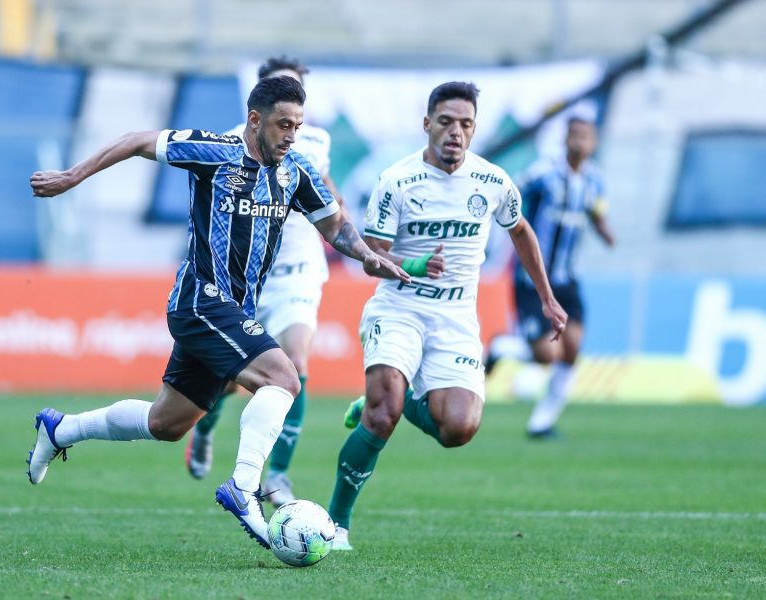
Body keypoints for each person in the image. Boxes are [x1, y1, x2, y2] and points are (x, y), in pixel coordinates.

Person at [25, 75, 409, 551]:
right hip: (201, 300)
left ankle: (61, 428)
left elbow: (335, 226)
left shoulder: (296, 171)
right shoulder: (214, 151)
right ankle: (244, 487)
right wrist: (71, 177)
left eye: (297, 125)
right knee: (284, 377)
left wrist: (365, 254)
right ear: (255, 119)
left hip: (233, 311)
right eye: (283, 124)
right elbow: (136, 140)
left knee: (166, 424)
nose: (291, 135)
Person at [328, 82, 567, 551]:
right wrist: (416, 265)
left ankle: (389, 401)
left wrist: (546, 296)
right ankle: (335, 525)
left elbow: (520, 231)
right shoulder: (396, 180)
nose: (455, 132)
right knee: (381, 417)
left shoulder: (492, 181)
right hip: (399, 307)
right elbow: (370, 255)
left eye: (465, 124)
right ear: (427, 124)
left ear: (474, 129)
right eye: (446, 122)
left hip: (455, 317)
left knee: (458, 429)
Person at [185, 57, 342, 509]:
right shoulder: (233, 142)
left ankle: (278, 474)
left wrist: (345, 225)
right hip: (247, 278)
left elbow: (324, 190)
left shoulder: (315, 140)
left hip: (298, 269)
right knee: (229, 382)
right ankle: (205, 428)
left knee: (296, 363)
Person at [515, 115, 615, 438]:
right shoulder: (542, 173)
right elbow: (509, 195)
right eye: (575, 135)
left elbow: (597, 212)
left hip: (567, 277)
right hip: (533, 277)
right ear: (565, 138)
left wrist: (605, 231)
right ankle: (502, 349)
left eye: (586, 136)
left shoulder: (595, 180)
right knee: (547, 355)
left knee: (572, 348)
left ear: (594, 142)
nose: (579, 141)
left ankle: (542, 422)